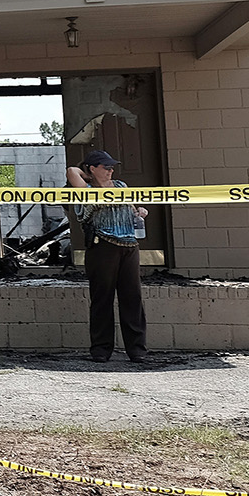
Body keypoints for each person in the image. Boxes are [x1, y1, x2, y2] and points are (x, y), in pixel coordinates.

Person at [64, 149, 150, 364]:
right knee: (102, 298)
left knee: (132, 298)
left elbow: (131, 207)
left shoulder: (121, 186)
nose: (111, 171)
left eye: (112, 167)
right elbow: (72, 171)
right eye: (105, 167)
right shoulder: (86, 190)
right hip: (102, 245)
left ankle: (137, 349)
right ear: (93, 169)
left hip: (129, 244)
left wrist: (139, 210)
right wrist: (88, 176)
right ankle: (101, 349)